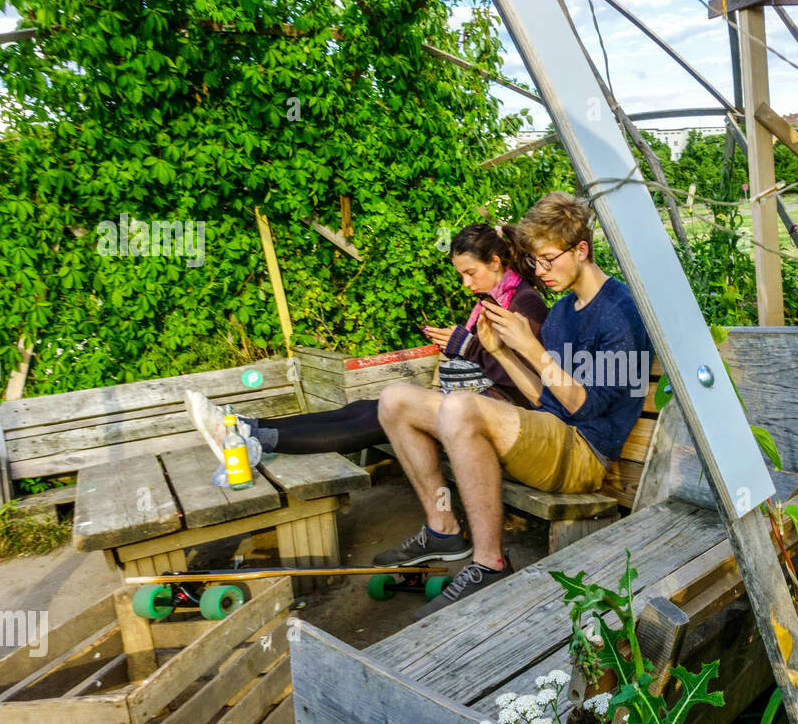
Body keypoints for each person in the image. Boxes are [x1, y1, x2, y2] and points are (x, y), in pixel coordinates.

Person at [372, 192, 653, 613]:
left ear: (581, 249)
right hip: (549, 431)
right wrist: (501, 351)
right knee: (395, 401)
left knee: (460, 407)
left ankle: (489, 562)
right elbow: (543, 396)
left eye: (547, 259)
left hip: (585, 453)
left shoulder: (620, 312)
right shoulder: (562, 313)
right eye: (535, 261)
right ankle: (443, 525)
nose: (540, 271)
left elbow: (587, 408)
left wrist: (531, 347)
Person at [183, 224, 549, 471]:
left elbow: (529, 379)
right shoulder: (492, 298)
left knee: (379, 418)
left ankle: (256, 441)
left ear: (496, 262)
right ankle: (250, 426)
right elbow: (482, 357)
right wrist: (458, 348)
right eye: (461, 275)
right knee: (363, 406)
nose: (466, 283)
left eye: (470, 273)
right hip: (470, 401)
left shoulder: (525, 302)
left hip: (500, 418)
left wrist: (467, 347)